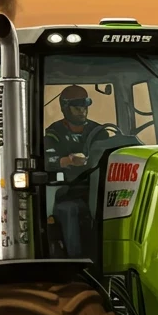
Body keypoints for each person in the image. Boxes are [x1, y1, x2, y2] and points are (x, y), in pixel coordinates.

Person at [44, 86, 104, 257]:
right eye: (77, 107)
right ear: (64, 108)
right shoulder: (53, 133)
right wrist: (69, 161)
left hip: (100, 191)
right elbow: (48, 161)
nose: (82, 111)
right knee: (69, 210)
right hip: (68, 192)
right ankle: (76, 262)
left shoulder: (99, 132)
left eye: (84, 107)